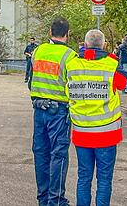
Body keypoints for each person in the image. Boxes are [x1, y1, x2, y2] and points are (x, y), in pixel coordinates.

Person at [65, 29, 127, 206]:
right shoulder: (112, 65)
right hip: (106, 133)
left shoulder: (72, 65)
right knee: (104, 179)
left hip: (81, 131)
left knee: (84, 177)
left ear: (84, 45)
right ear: (104, 45)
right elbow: (123, 83)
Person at [30, 17, 77, 206]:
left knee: (41, 153)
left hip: (38, 108)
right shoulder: (70, 56)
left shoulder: (37, 51)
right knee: (58, 155)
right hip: (59, 111)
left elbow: (32, 77)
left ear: (50, 32)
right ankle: (56, 200)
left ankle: (42, 198)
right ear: (68, 34)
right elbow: (72, 86)